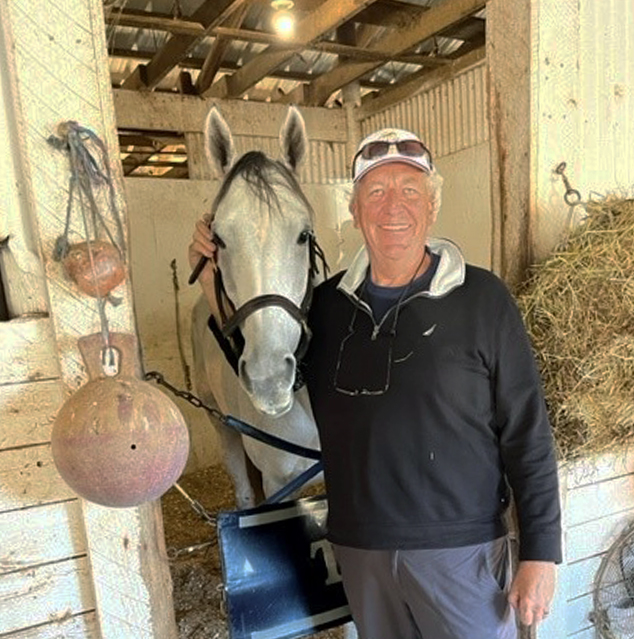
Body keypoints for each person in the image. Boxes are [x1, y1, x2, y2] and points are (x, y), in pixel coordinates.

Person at [189, 127, 562, 639]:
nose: (393, 208)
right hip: (362, 556)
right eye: (376, 192)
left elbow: (528, 433)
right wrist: (214, 278)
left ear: (432, 205)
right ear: (354, 209)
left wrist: (541, 552)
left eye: (410, 191)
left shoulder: (483, 298)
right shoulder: (325, 310)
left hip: (459, 554)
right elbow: (266, 373)